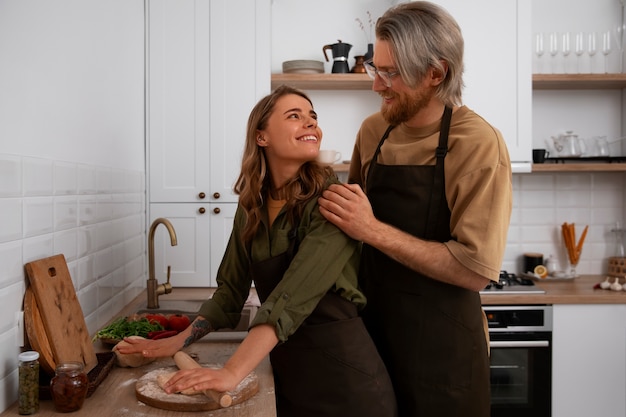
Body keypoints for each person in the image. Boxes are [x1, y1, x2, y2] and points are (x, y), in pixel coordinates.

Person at [118, 85, 397, 417]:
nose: (311, 124)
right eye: (295, 116)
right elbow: (230, 293)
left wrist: (231, 371)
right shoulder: (252, 205)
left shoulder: (334, 201)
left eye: (313, 117)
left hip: (347, 380)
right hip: (291, 372)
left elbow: (289, 298)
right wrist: (176, 341)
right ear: (261, 136)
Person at [317, 2, 512, 417]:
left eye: (391, 73)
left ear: (436, 74)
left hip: (445, 357)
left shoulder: (476, 143)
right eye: (376, 67)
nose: (376, 85)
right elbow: (346, 233)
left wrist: (373, 230)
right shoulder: (373, 132)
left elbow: (474, 270)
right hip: (371, 342)